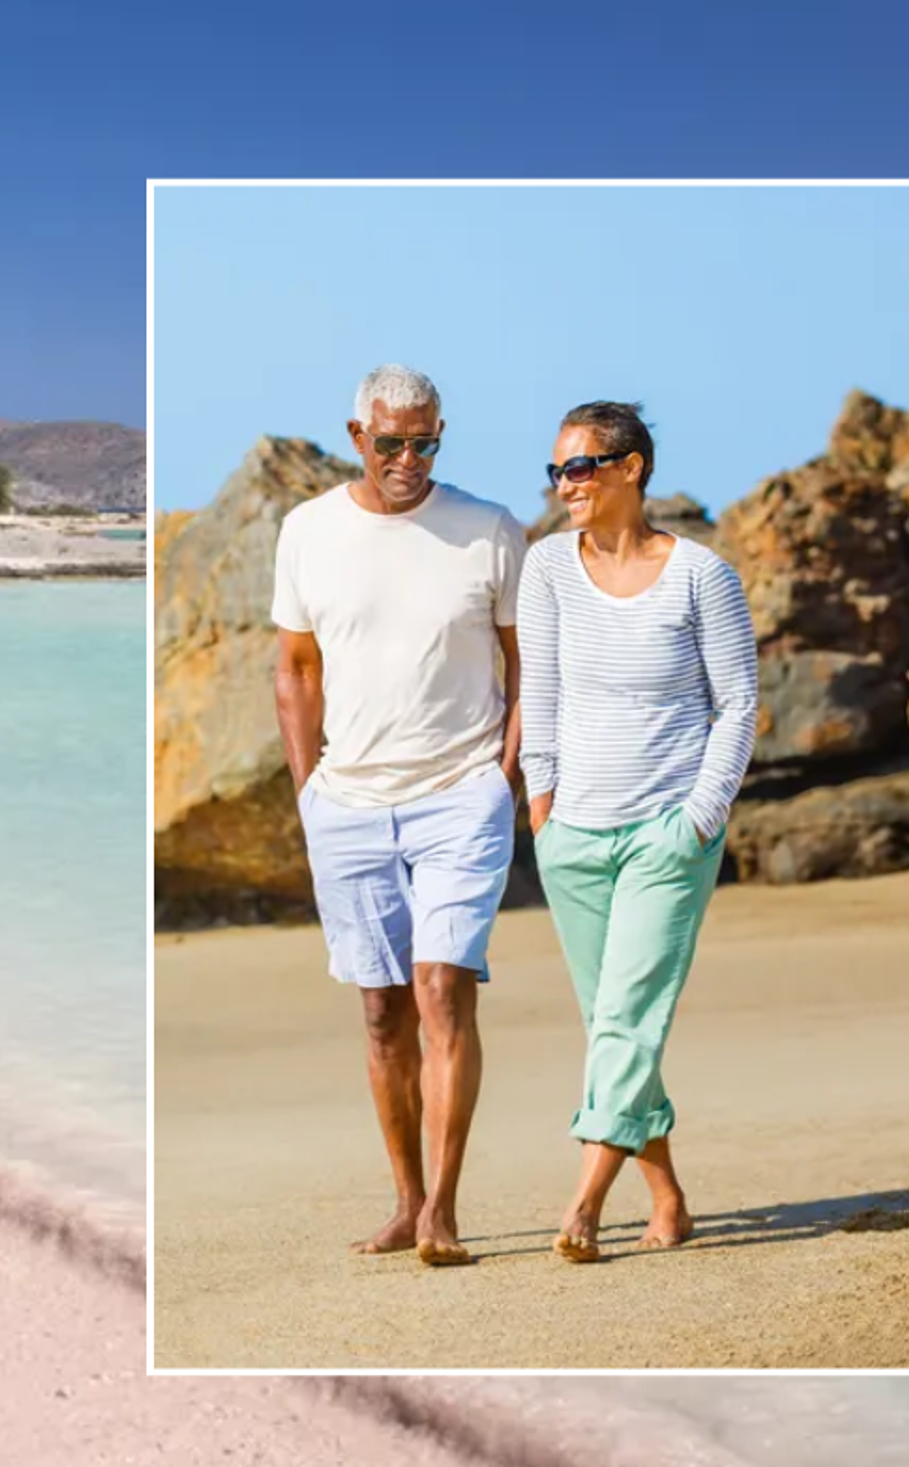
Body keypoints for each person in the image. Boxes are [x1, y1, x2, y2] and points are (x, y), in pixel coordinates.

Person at [271, 363, 525, 1267]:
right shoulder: (307, 531)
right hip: (346, 804)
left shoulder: (490, 531)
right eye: (391, 442)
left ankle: (443, 1212)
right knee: (383, 1012)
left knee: (441, 989)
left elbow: (527, 661)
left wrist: (504, 773)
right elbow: (296, 667)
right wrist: (308, 790)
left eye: (425, 443)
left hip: (460, 795)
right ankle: (406, 1200)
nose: (408, 459)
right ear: (357, 437)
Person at [518, 402, 758, 1264]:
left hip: (667, 835)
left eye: (580, 467)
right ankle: (668, 1197)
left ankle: (584, 1202)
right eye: (557, 470)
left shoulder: (701, 576)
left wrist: (700, 818)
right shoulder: (548, 567)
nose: (565, 485)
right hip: (574, 837)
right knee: (616, 1026)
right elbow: (539, 691)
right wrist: (542, 807)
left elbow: (738, 705)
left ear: (631, 468)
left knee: (624, 1019)